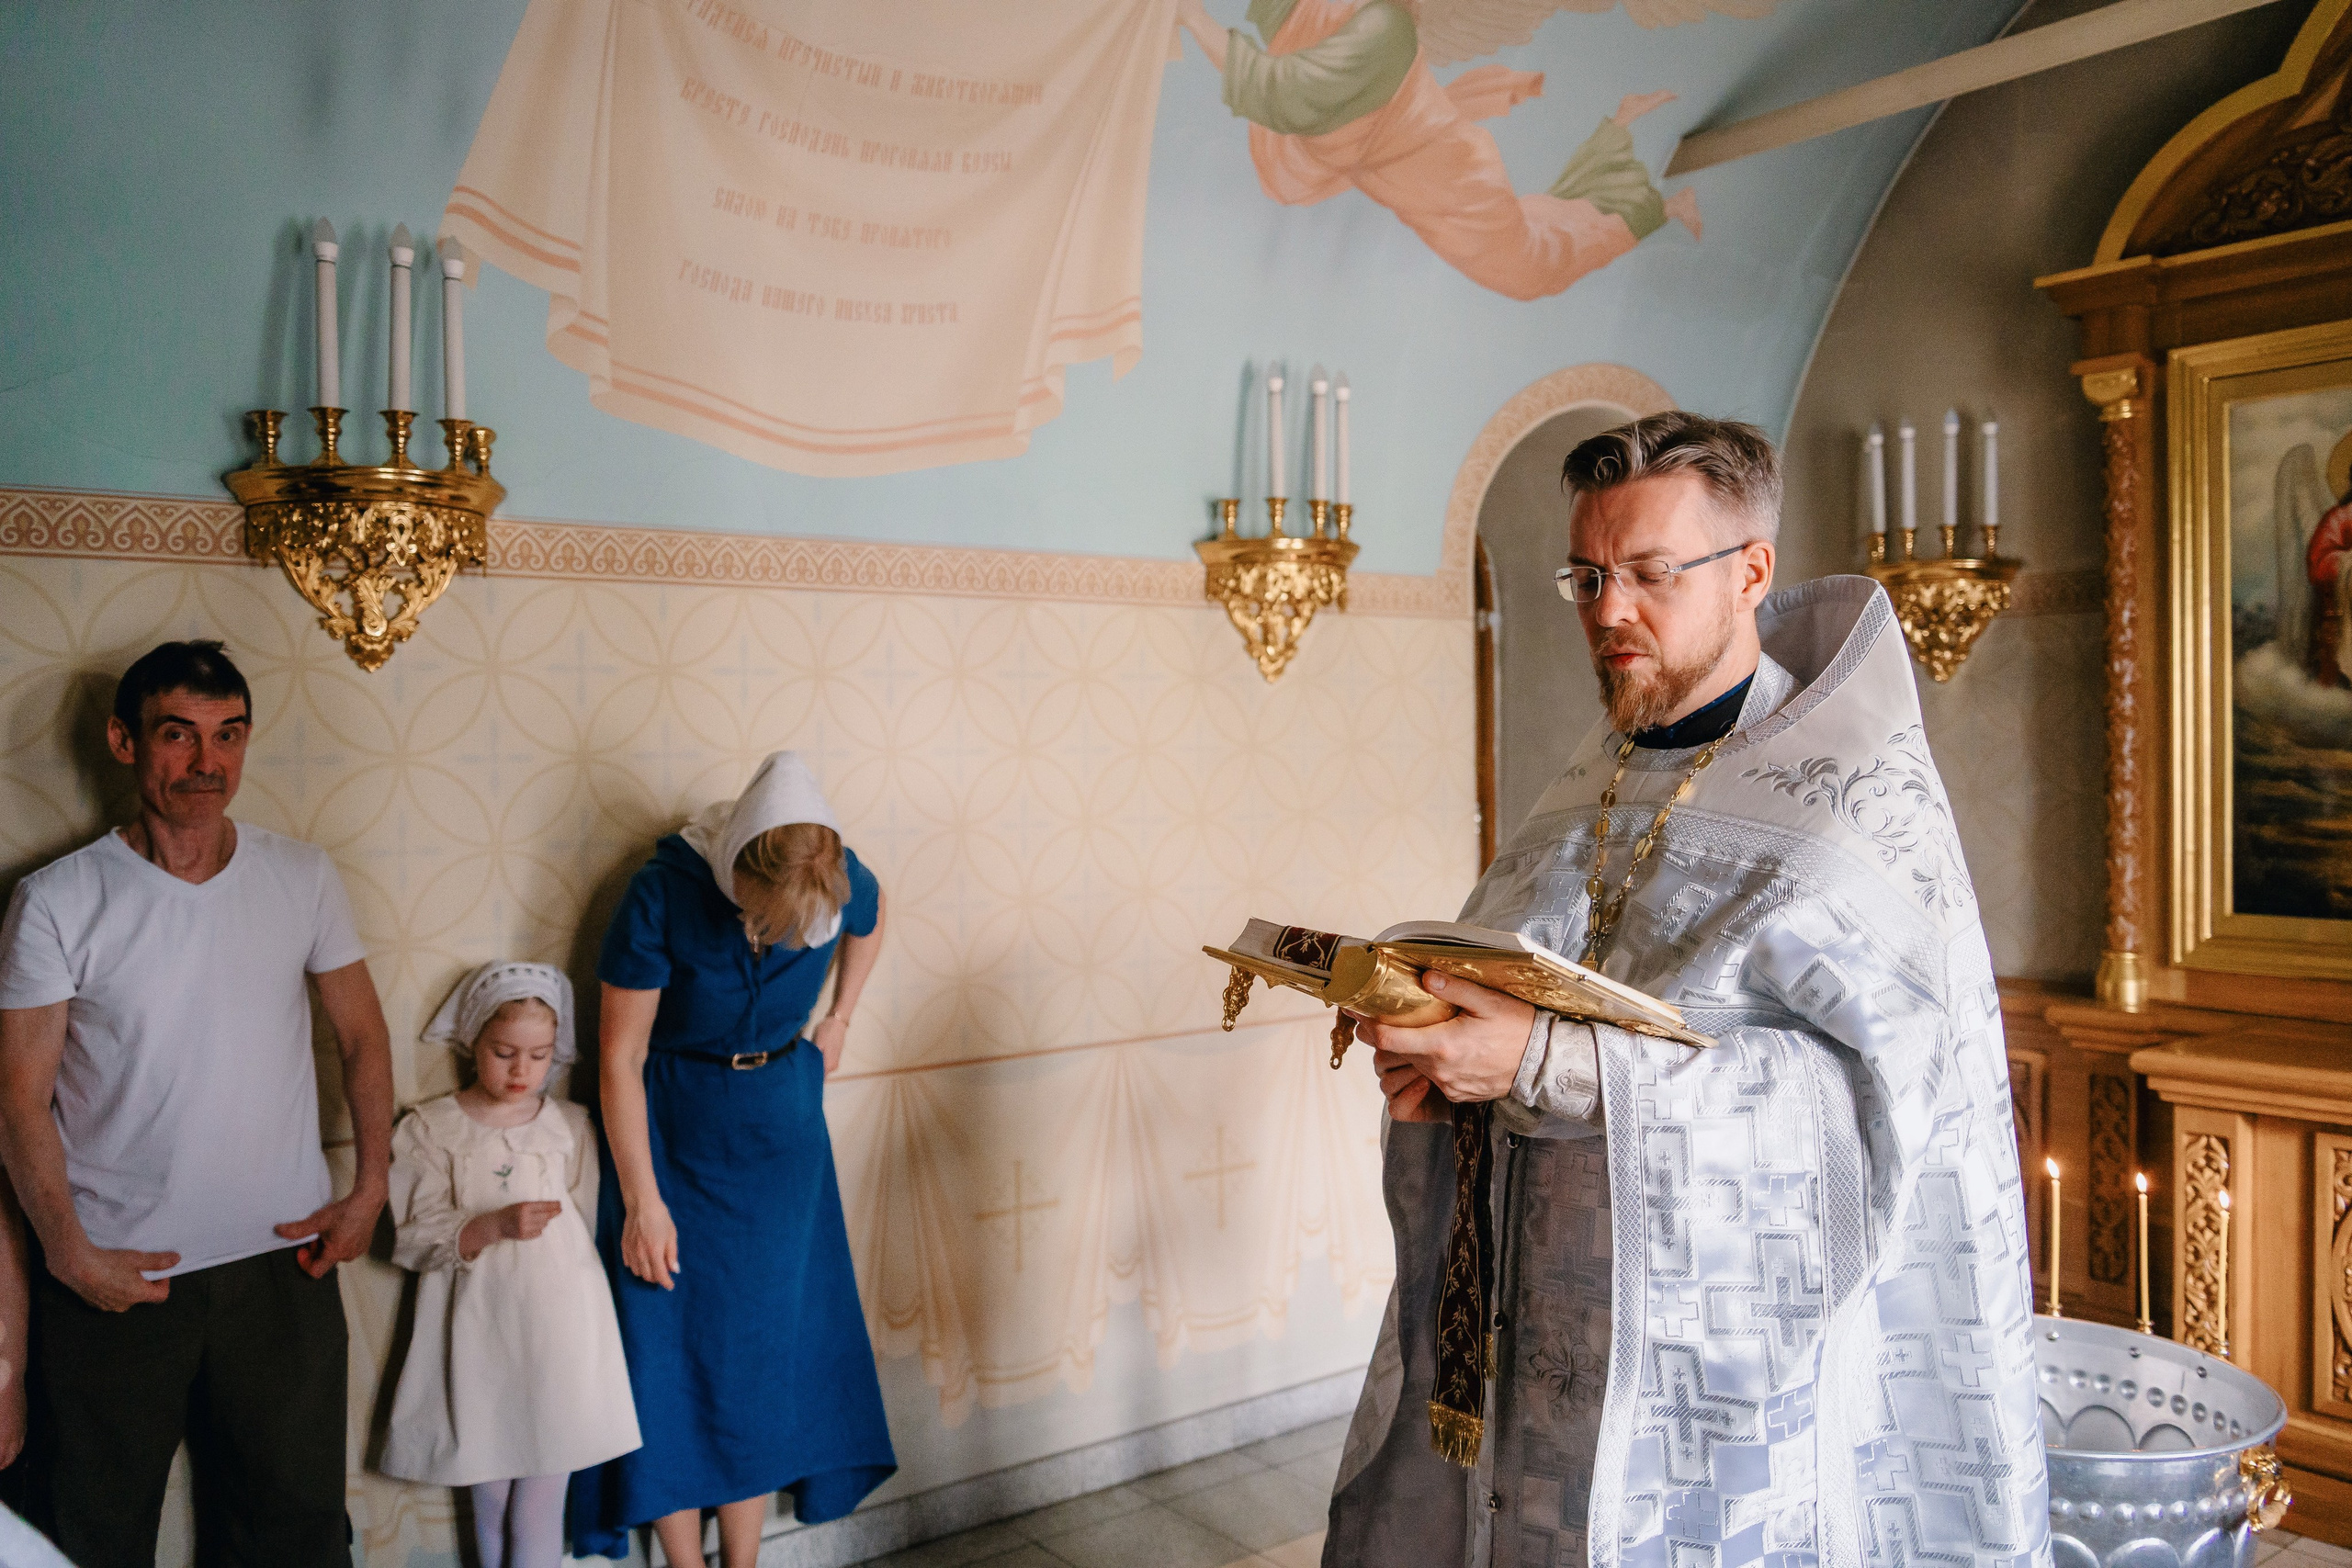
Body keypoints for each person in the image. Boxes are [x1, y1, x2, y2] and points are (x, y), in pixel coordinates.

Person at [1327, 415, 2047, 1568]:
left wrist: (1546, 1063)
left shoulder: (1855, 805)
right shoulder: (1591, 781)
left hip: (1720, 1374)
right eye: (1586, 575)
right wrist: (1439, 1050)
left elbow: (1885, 1118)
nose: (1607, 610)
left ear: (1751, 569)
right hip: (1530, 1320)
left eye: (1651, 573)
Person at [0, 639, 393, 1567]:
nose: (206, 763)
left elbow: (365, 1037)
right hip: (114, 1278)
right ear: (125, 742)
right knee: (89, 1530)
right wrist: (68, 1251)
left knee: (293, 1536)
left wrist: (368, 1188)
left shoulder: (301, 875)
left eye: (228, 736)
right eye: (177, 735)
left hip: (283, 1271)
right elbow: (18, 1102)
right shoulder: (57, 900)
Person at [569, 751, 895, 1568]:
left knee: (760, 1353)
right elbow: (618, 1058)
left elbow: (873, 912)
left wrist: (841, 1017)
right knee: (665, 1352)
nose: (765, 937)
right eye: (757, 918)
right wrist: (644, 1203)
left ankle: (740, 1563)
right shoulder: (663, 892)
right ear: (734, 869)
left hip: (782, 1136)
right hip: (671, 1135)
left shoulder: (833, 866)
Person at [1174, 0, 1700, 303]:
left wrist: (1194, 19)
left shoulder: (1382, 28)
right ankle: (1625, 136)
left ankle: (1658, 200)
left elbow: (1282, 90)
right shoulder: (1320, 12)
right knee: (1540, 245)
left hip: (1453, 177)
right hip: (1430, 174)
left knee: (1532, 274)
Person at [379, 961, 640, 1568]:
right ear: (473, 1042)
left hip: (556, 1330)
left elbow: (586, 1223)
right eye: (504, 1052)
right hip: (478, 1332)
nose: (522, 1070)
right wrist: (488, 1226)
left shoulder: (568, 1126)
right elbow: (412, 1237)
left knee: (541, 1499)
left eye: (539, 1054)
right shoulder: (432, 1128)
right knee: (490, 1497)